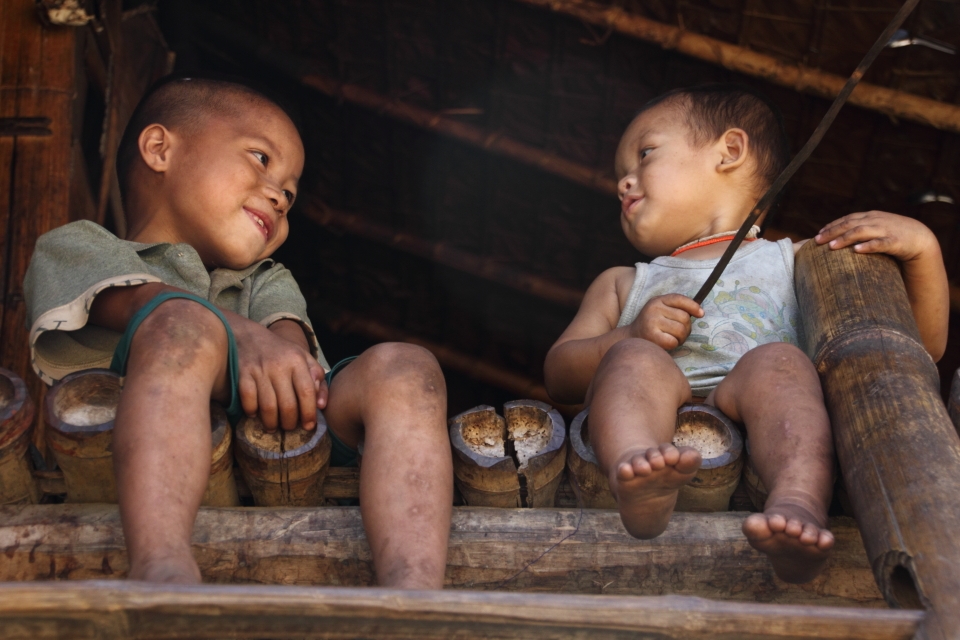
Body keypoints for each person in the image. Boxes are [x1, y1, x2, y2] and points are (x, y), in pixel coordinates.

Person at [24, 77, 453, 588]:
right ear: (160, 149)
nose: (279, 196)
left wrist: (284, 357)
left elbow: (293, 356)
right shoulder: (78, 245)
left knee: (407, 368)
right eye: (261, 158)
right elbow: (145, 304)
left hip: (280, 431)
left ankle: (414, 594)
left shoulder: (266, 279)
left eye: (290, 195)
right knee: (182, 324)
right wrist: (240, 333)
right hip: (119, 449)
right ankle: (163, 569)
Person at [543, 84, 948, 583]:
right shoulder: (624, 282)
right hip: (663, 410)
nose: (624, 182)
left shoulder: (799, 260)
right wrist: (627, 336)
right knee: (632, 361)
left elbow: (915, 350)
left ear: (730, 152)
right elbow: (559, 374)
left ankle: (797, 500)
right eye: (620, 174)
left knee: (781, 362)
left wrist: (925, 251)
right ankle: (639, 471)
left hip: (764, 419)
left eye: (644, 154)